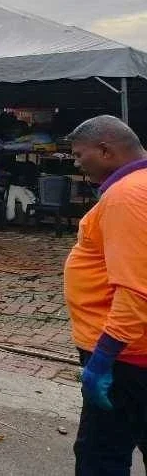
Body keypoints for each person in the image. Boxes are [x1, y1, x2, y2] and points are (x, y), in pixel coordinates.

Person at [63, 115, 147, 476]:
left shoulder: (126, 196)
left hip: (125, 357)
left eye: (81, 156)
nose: (79, 164)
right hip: (132, 352)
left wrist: (102, 361)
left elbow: (135, 290)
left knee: (101, 455)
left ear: (106, 150)